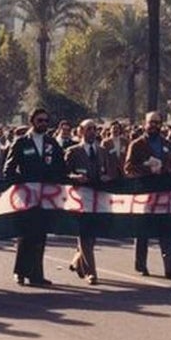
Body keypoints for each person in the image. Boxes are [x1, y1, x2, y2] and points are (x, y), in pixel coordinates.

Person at [2, 108, 66, 286]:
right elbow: (8, 169)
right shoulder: (21, 142)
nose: (43, 124)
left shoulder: (51, 143)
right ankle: (20, 272)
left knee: (40, 236)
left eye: (46, 120)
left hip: (46, 197)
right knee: (26, 234)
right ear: (32, 122)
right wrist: (21, 185)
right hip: (26, 197)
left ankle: (37, 274)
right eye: (40, 120)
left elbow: (61, 167)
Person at [124, 111, 171, 279]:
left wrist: (166, 168)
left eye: (157, 122)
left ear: (161, 125)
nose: (154, 125)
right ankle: (141, 265)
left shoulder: (167, 144)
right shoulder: (137, 144)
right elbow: (128, 168)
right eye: (151, 122)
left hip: (164, 193)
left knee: (167, 230)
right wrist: (147, 168)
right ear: (145, 124)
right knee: (143, 231)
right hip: (145, 194)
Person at [64, 119, 111, 285]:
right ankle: (91, 273)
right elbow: (64, 174)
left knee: (93, 235)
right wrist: (74, 177)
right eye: (88, 129)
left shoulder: (102, 151)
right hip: (80, 198)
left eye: (94, 129)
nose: (92, 132)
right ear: (81, 131)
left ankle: (77, 262)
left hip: (98, 199)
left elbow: (108, 172)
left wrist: (106, 177)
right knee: (85, 235)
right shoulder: (73, 152)